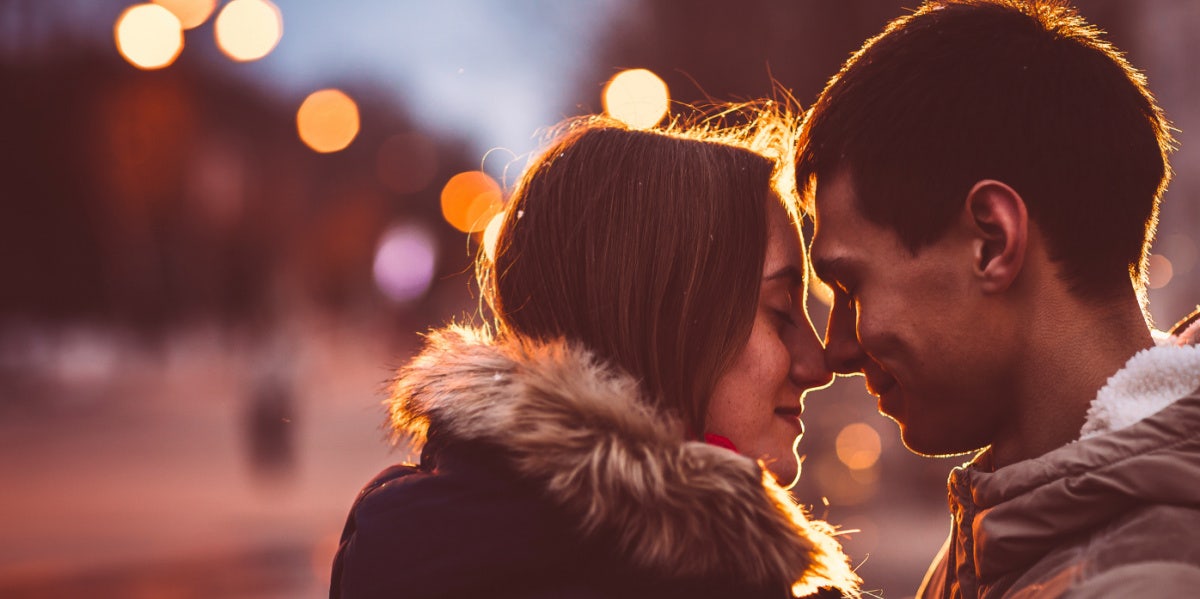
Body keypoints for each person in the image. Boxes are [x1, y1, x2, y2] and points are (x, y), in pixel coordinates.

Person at [330, 112, 861, 598]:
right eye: (778, 312)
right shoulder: (706, 579)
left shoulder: (401, 539)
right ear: (664, 322)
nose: (817, 364)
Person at [794, 0, 1200, 597]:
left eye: (852, 286)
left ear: (993, 241)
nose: (837, 351)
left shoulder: (1136, 582)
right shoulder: (1010, 534)